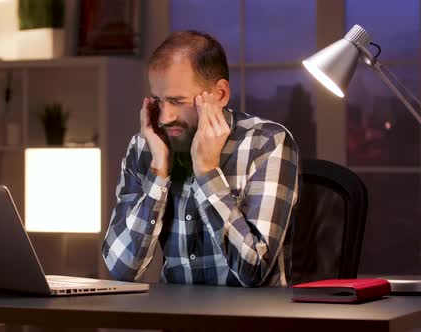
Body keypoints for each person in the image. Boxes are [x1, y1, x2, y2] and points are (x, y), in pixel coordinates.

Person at [102, 30, 300, 287]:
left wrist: (207, 171)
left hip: (251, 321)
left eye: (177, 101)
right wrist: (158, 173)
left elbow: (255, 271)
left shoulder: (267, 143)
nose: (164, 117)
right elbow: (121, 269)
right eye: (160, 101)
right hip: (176, 321)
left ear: (219, 94)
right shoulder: (147, 146)